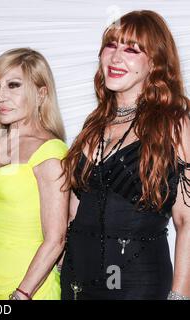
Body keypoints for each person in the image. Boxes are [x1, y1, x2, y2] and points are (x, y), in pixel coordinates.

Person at [61, 10, 190, 300]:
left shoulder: (175, 124)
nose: (116, 58)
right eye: (111, 45)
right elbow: (72, 212)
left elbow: (187, 221)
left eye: (131, 49)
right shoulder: (93, 124)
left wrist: (180, 295)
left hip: (137, 283)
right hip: (77, 279)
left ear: (155, 62)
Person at [0, 48, 69, 300]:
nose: (1, 97)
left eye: (13, 86)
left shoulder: (50, 151)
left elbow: (56, 238)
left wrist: (23, 293)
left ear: (41, 93)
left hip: (31, 289)